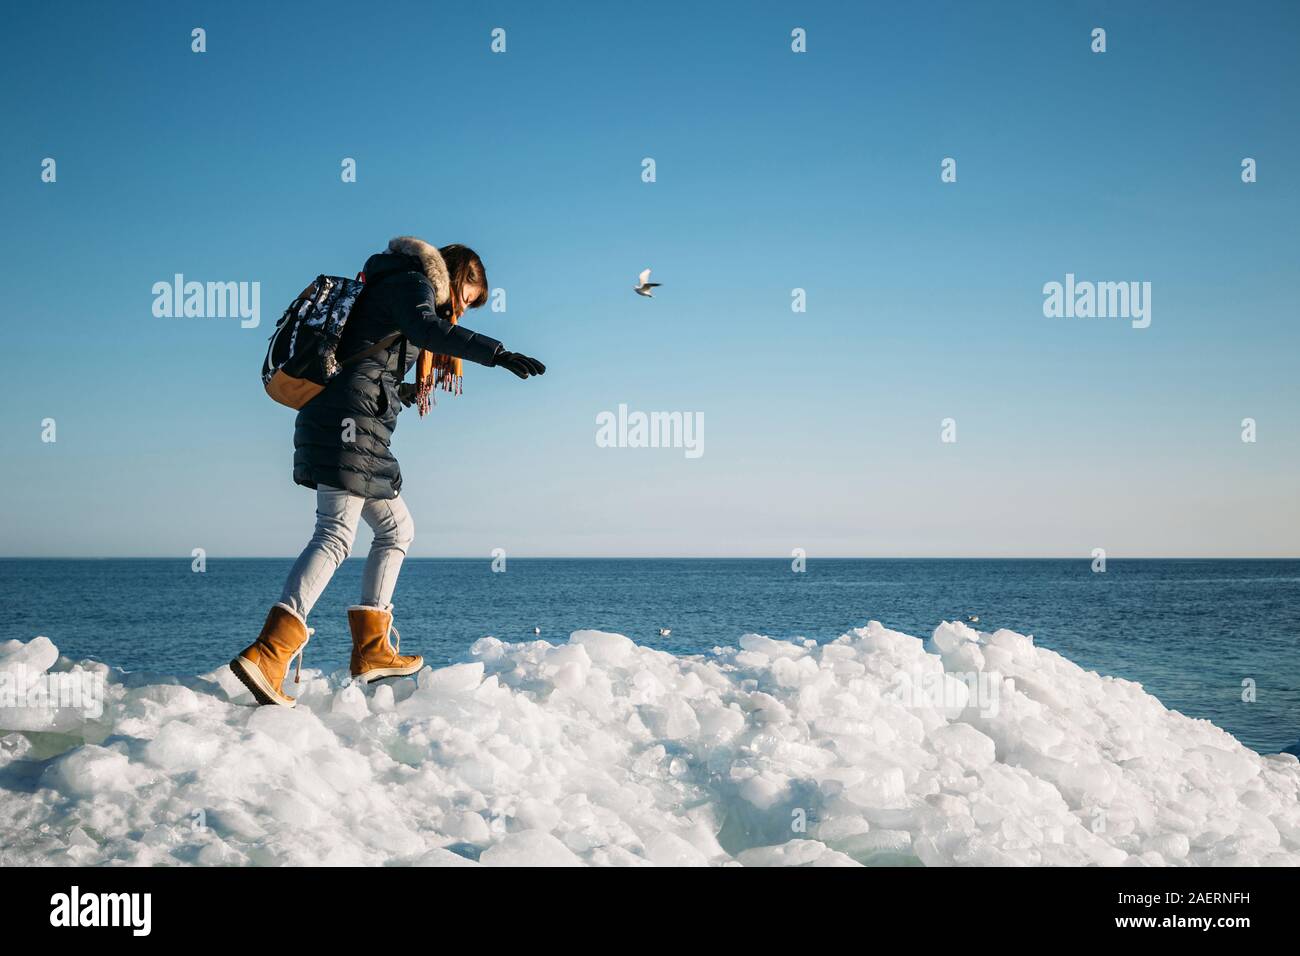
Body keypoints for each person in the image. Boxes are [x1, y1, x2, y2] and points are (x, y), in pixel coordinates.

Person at [230, 236, 545, 707]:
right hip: (348, 425)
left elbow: (375, 361)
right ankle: (271, 653)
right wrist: (496, 353)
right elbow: (425, 329)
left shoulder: (392, 283)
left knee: (398, 529)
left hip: (358, 424)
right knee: (335, 534)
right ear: (456, 279)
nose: (459, 310)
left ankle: (372, 648)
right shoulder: (410, 282)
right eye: (465, 298)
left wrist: (403, 392)